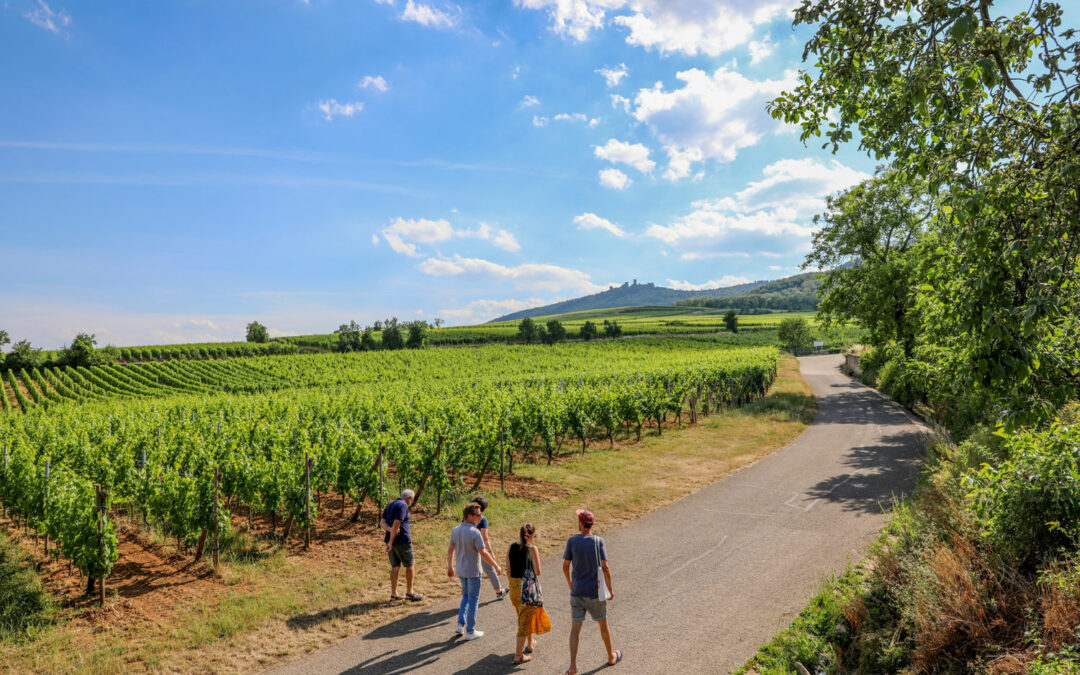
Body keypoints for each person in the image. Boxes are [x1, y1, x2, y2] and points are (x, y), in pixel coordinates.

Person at [562, 509, 621, 674]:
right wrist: (610, 589)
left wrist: (570, 583)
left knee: (575, 629)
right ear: (591, 523)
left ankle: (573, 666)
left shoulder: (572, 541)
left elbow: (565, 566)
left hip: (577, 592)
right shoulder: (598, 541)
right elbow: (606, 567)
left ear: (580, 523)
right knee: (603, 623)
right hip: (595, 592)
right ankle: (611, 656)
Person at [448, 502, 503, 640]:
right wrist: (496, 565)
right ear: (470, 516)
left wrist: (450, 566)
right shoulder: (474, 532)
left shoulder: (456, 530)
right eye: (478, 515)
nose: (481, 517)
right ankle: (470, 631)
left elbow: (450, 550)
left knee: (465, 596)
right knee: (473, 600)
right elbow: (483, 552)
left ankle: (460, 624)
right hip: (473, 571)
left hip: (461, 570)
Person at [507, 523, 552, 664]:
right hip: (527, 588)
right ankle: (518, 655)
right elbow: (538, 572)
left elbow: (508, 570)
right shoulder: (532, 549)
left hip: (514, 586)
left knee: (523, 617)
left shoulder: (511, 547)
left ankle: (530, 643)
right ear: (532, 535)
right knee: (524, 621)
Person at [383, 489, 422, 602]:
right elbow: (396, 523)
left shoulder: (390, 504)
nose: (411, 502)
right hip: (402, 541)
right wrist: (391, 540)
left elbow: (382, 521)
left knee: (395, 567)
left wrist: (389, 532)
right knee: (410, 564)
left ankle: (394, 594)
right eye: (412, 500)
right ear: (409, 498)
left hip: (391, 540)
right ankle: (410, 592)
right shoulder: (403, 505)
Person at [471, 496, 509, 599]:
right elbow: (485, 538)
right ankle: (499, 591)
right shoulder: (482, 520)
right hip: (480, 549)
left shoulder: (466, 518)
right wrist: (491, 552)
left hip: (468, 548)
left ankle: (469, 594)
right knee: (489, 568)